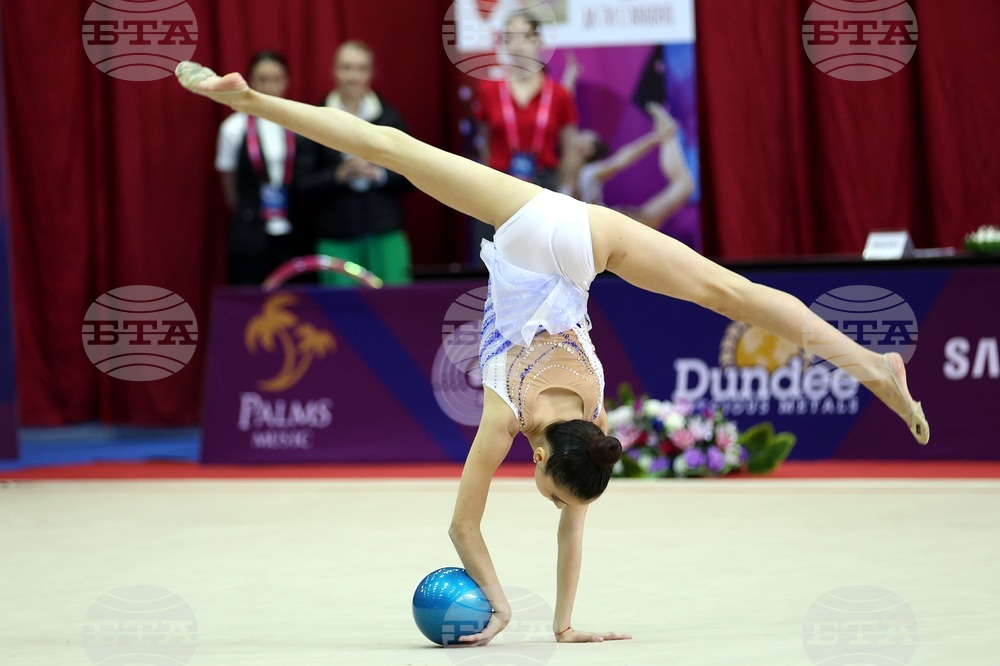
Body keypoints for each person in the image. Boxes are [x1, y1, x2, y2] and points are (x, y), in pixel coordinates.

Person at [176, 61, 930, 646]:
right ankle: (252, 103)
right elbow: (467, 527)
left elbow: (562, 514)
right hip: (544, 238)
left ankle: (873, 367)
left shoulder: (590, 427)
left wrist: (539, 617)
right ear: (542, 462)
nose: (558, 505)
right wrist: (524, 611)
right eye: (553, 493)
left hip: (585, 240)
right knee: (395, 148)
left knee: (733, 296)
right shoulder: (504, 417)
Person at [296, 41, 414, 287]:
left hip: (386, 232)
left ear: (371, 73)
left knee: (396, 312)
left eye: (361, 69)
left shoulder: (390, 118)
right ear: (334, 71)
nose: (354, 76)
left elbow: (414, 176)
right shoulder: (314, 119)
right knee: (342, 318)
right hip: (336, 236)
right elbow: (301, 185)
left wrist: (378, 174)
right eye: (347, 68)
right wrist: (338, 175)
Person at [215, 51, 309, 285]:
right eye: (263, 79)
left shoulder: (300, 123)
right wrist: (247, 213)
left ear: (286, 81)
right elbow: (229, 183)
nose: (270, 86)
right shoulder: (233, 128)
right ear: (250, 82)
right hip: (252, 234)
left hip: (294, 233)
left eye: (277, 79)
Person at [473, 10, 579, 192]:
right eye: (510, 38)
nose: (517, 45)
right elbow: (483, 142)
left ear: (539, 41)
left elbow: (570, 148)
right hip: (499, 183)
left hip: (545, 184)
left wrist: (564, 190)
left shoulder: (559, 94)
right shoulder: (488, 90)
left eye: (525, 37)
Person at [563, 101, 695, 229]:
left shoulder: (587, 174)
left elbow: (621, 159)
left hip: (611, 231)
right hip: (602, 232)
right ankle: (668, 136)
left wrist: (655, 138)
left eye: (584, 136)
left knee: (684, 185)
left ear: (588, 149)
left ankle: (668, 136)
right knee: (683, 185)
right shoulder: (558, 170)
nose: (579, 135)